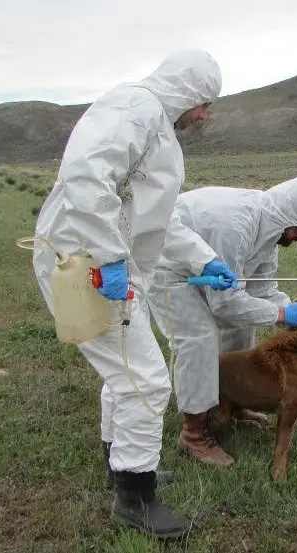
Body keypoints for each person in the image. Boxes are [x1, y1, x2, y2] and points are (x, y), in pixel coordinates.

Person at [30, 49, 239, 540]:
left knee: (123, 372)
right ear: (187, 91)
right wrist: (109, 258)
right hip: (90, 267)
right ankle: (134, 499)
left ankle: (121, 468)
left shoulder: (155, 126)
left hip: (105, 264)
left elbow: (153, 219)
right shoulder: (135, 109)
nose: (206, 114)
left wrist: (203, 258)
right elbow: (85, 178)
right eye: (205, 102)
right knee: (143, 379)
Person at [147, 174, 297, 467]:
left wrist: (294, 309)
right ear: (286, 216)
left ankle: (235, 403)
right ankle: (193, 434)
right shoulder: (236, 225)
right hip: (167, 268)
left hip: (203, 271)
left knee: (243, 326)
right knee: (199, 337)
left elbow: (262, 291)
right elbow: (226, 305)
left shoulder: (269, 237)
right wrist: (283, 315)